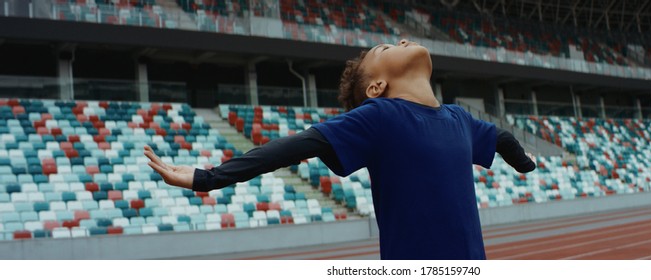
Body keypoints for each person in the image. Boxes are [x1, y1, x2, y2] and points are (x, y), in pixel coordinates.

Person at [144, 39, 536, 260]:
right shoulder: (379, 117)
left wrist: (524, 163)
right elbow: (294, 146)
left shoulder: (460, 119)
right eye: (385, 49)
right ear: (376, 87)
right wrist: (208, 178)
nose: (400, 40)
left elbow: (500, 137)